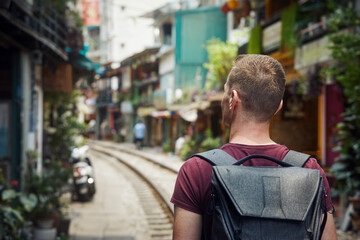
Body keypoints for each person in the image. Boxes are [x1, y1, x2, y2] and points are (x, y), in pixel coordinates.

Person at [171, 54, 337, 240]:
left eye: (225, 91)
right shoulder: (310, 169)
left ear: (233, 98)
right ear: (278, 106)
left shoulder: (196, 170)